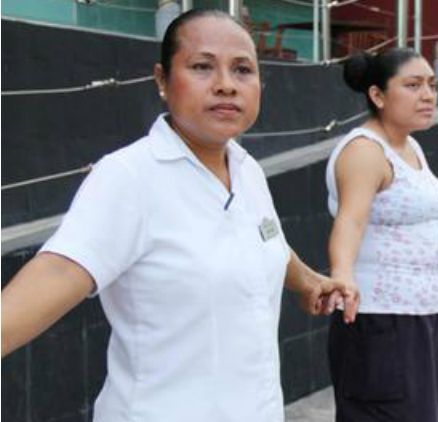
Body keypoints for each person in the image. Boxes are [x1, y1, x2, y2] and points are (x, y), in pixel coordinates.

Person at [0, 10, 359, 421]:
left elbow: (265, 236)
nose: (226, 84)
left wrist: (307, 280)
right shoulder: (130, 176)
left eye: (242, 69)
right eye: (202, 67)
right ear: (161, 81)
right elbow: (60, 271)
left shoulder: (246, 170)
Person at [328, 48, 438, 421]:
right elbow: (350, 221)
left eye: (432, 85)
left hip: (426, 314)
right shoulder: (364, 152)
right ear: (378, 95)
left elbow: (429, 209)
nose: (429, 95)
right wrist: (342, 275)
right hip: (382, 319)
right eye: (413, 85)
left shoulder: (410, 145)